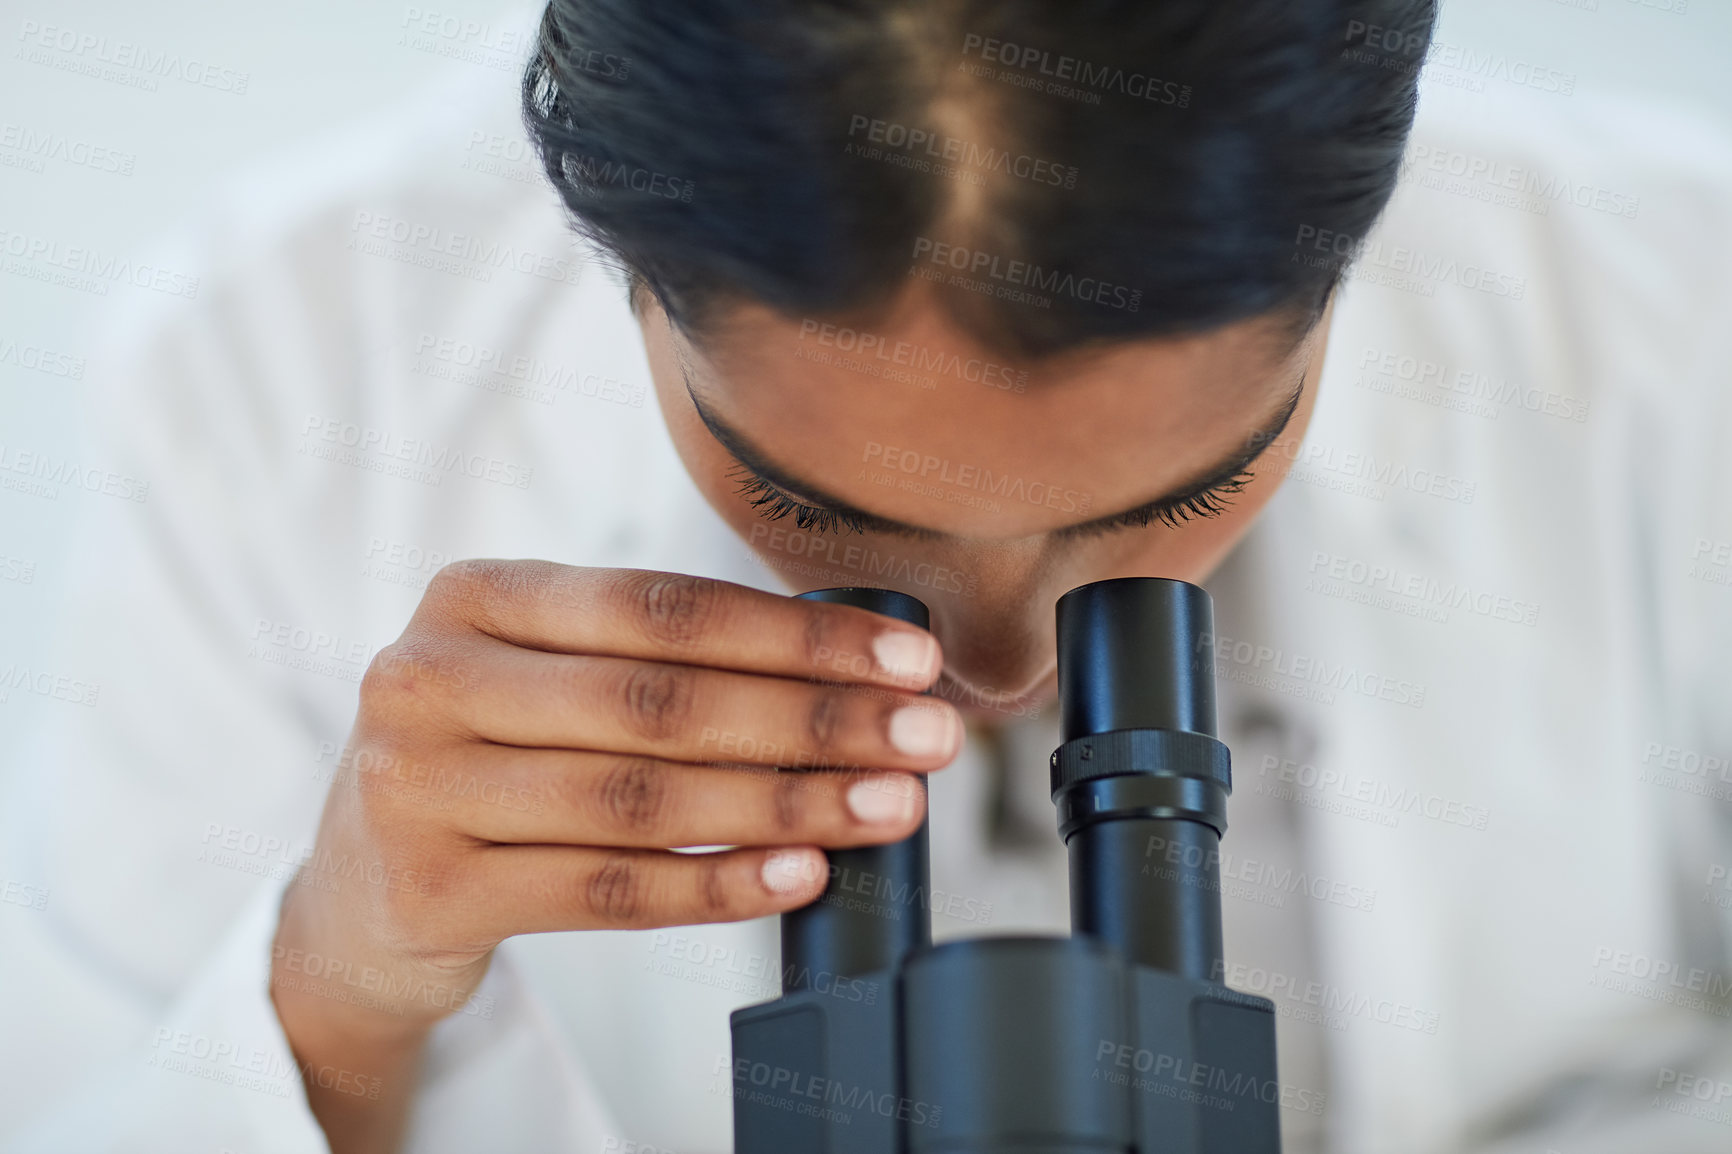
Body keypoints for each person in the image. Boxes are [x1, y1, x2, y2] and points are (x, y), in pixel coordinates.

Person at [5, 1, 1732, 1152]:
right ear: (622, 276)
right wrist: (333, 996)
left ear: (1354, 262)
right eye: (810, 504)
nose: (990, 671)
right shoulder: (274, 377)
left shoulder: (1687, 319)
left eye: (1191, 488)